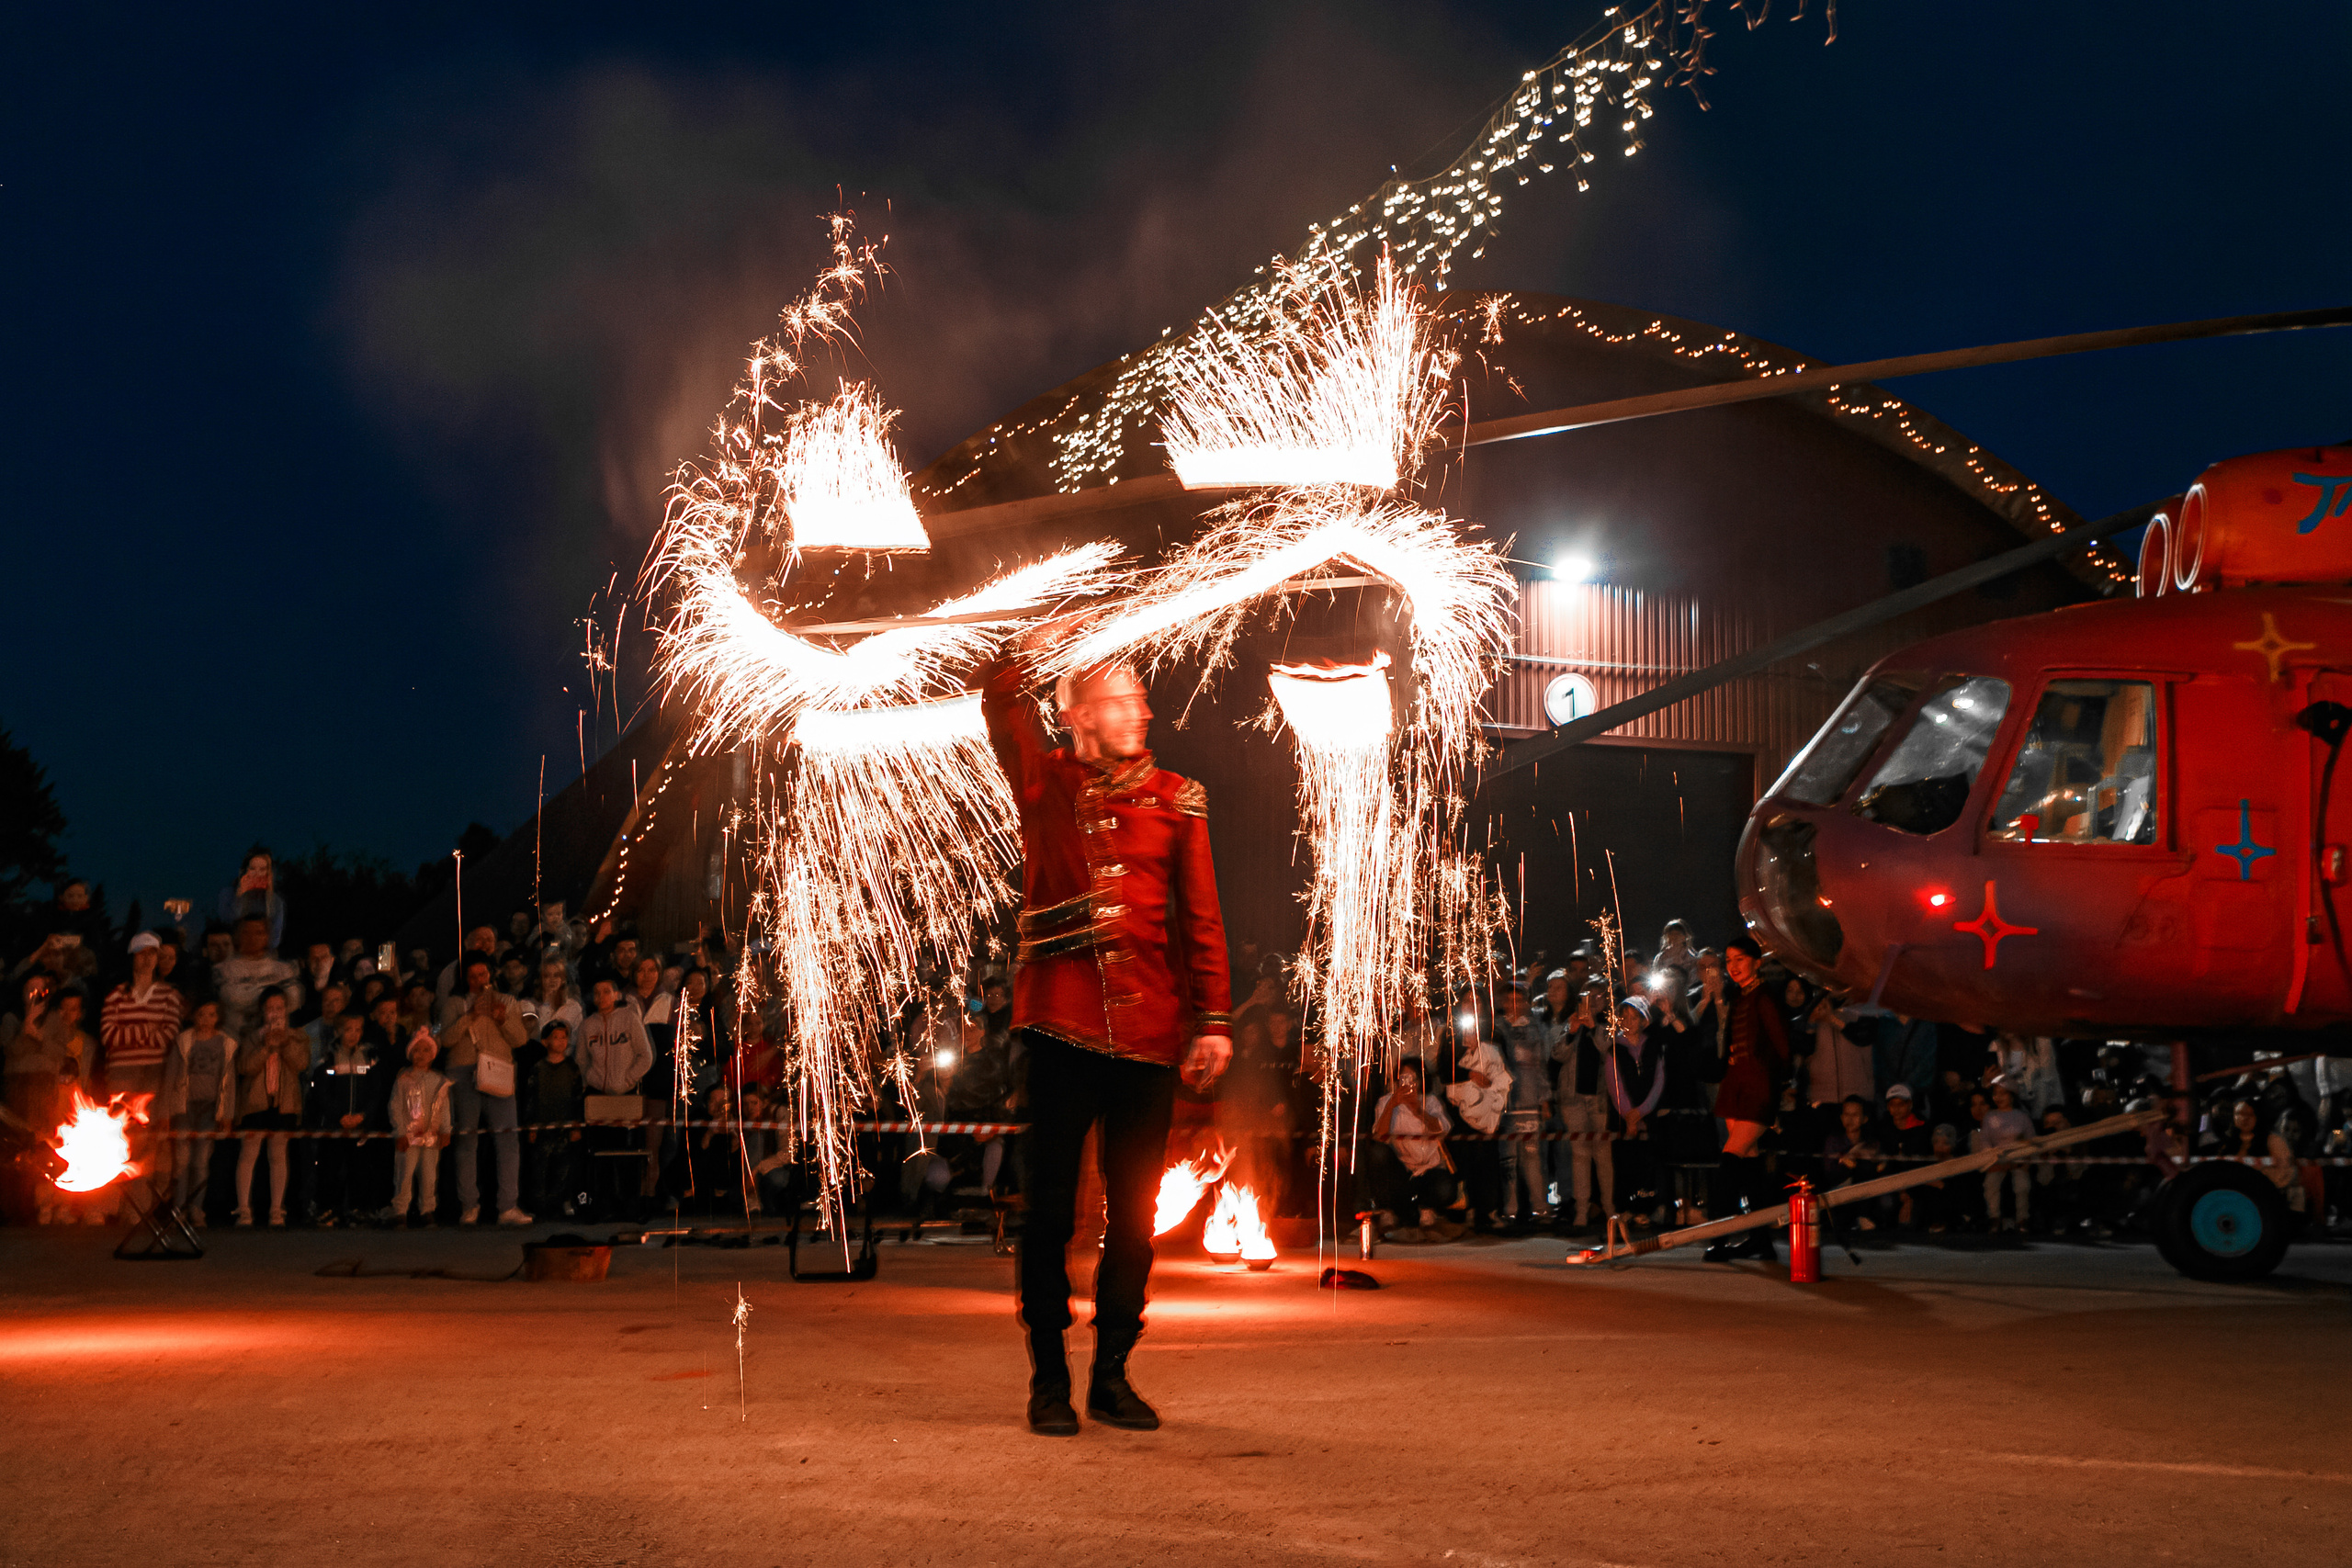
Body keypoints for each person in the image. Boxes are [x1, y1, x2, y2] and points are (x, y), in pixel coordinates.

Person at [980, 636, 1232, 1438]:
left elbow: (1201, 919)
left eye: (1141, 697)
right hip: (1060, 1025)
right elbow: (1001, 697)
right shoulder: (1043, 781)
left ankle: (1113, 1373)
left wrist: (1214, 1020)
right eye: (1123, 699)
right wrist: (1031, 646)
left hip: (1150, 1034)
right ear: (1078, 716)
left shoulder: (1178, 797)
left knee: (1135, 1217)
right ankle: (1049, 1379)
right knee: (1049, 1213)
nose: (1143, 711)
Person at [1702, 934, 1792, 1262]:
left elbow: (1782, 1047)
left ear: (1756, 962)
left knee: (1730, 1158)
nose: (1733, 966)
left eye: (1739, 959)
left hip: (1758, 1086)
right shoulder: (1740, 996)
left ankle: (1718, 1237)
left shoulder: (1765, 997)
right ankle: (1760, 1240)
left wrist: (1781, 1086)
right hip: (1736, 1084)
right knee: (1750, 1164)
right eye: (1729, 960)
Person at [437, 954, 530, 1226]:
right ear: (465, 978)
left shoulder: (508, 1002)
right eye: (473, 976)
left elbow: (520, 1039)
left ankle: (508, 1207)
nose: (479, 981)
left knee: (508, 1140)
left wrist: (502, 1019)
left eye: (483, 974)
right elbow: (446, 1039)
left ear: (491, 974)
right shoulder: (454, 1003)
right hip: (463, 1072)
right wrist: (471, 1016)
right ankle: (469, 1206)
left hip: (499, 1071)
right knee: (467, 1140)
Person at [232, 989, 310, 1226]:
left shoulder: (297, 1036)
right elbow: (245, 1067)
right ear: (263, 1012)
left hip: (284, 1104)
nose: (275, 1013)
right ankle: (244, 1210)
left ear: (286, 1011)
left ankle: (277, 1210)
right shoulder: (251, 1037)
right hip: (255, 1103)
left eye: (279, 1008)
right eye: (270, 1009)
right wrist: (266, 1047)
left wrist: (284, 1044)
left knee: (278, 1156)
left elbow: (301, 1064)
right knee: (248, 1155)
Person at [1367, 1059, 1463, 1241]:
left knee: (1446, 1189)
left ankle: (1426, 1209)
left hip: (1428, 1169)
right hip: (1401, 1170)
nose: (1408, 1084)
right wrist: (1393, 1104)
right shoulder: (1386, 1101)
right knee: (1377, 1152)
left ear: (1421, 1081)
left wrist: (1418, 1111)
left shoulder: (1431, 1101)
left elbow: (1442, 1129)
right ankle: (1389, 1210)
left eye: (1413, 1079)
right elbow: (1379, 1136)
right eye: (1404, 1078)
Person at [160, 998, 237, 1224]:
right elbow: (170, 1077)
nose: (206, 1020)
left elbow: (230, 1082)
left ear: (218, 1017)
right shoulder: (183, 1042)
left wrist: (227, 1114)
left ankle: (196, 1208)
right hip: (184, 1108)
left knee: (201, 1162)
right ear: (194, 1016)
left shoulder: (225, 1044)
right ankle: (179, 1209)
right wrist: (165, 1112)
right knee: (181, 1161)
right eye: (201, 1014)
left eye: (211, 1015)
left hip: (210, 1109)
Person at [307, 1011, 388, 1225]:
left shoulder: (369, 1058)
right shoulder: (328, 1058)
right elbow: (321, 1092)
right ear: (338, 1031)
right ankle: (327, 1209)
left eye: (357, 1029)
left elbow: (375, 1092)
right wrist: (339, 1115)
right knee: (330, 1168)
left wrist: (363, 1116)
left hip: (360, 1126)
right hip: (334, 1126)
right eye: (348, 1029)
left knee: (360, 1169)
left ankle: (358, 1209)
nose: (353, 1034)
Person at [1492, 983, 1553, 1227]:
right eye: (1510, 1000)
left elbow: (1541, 1066)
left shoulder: (1535, 1028)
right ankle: (1511, 1209)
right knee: (1508, 1160)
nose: (1514, 1005)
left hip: (1529, 1101)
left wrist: (1544, 1099)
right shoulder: (1496, 1028)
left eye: (1519, 1000)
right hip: (1504, 1105)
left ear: (1527, 1003)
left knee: (1533, 1159)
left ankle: (1540, 1207)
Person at [1602, 995, 1667, 1224]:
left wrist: (1642, 1111)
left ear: (1643, 1020)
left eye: (1634, 1017)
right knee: (1624, 1162)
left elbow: (1659, 1081)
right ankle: (1626, 1207)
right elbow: (1615, 1085)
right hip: (1623, 1117)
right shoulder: (1614, 1049)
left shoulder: (1653, 1046)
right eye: (1625, 1017)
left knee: (1647, 1163)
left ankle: (1645, 1208)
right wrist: (1629, 1115)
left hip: (1647, 1115)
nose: (1629, 1022)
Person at [523, 1021, 587, 1218]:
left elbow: (577, 1097)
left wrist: (576, 1125)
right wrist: (531, 1125)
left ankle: (560, 1203)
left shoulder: (572, 1068)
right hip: (543, 1128)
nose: (560, 1041)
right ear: (545, 1041)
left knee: (563, 1169)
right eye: (555, 1037)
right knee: (539, 1169)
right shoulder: (538, 1068)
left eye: (563, 1037)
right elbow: (530, 1098)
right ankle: (540, 1206)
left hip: (565, 1127)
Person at [386, 1032, 451, 1227]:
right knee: (404, 1174)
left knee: (429, 1175)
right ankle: (400, 1210)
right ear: (410, 1053)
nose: (421, 1054)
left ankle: (427, 1209)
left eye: (425, 1050)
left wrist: (445, 1129)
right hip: (409, 1137)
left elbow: (444, 1106)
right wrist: (399, 1132)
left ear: (433, 1054)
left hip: (431, 1137)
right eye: (416, 1050)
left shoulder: (439, 1080)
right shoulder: (404, 1079)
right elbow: (396, 1106)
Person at [213, 915, 300, 1039]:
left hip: (276, 1040)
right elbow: (234, 998)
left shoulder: (284, 969)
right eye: (247, 933)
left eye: (258, 933)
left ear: (267, 936)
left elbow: (294, 1000)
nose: (252, 938)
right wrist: (273, 995)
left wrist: (250, 993)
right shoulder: (223, 969)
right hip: (236, 1040)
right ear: (238, 936)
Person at [1973, 1081, 2034, 1232]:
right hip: (1996, 1160)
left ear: (2011, 1096)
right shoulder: (1990, 1117)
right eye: (1996, 1094)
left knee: (2022, 1186)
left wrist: (2024, 1161)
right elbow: (1985, 1140)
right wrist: (1992, 1158)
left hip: (2018, 1159)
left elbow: (2031, 1140)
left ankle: (2022, 1218)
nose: (1999, 1097)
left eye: (2003, 1093)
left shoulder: (2022, 1117)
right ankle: (1994, 1217)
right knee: (1990, 1185)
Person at [214, 851, 287, 951]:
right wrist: (240, 896)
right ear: (244, 871)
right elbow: (225, 924)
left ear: (269, 874)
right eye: (252, 869)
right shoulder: (227, 894)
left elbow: (275, 939)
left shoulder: (276, 902)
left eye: (262, 869)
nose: (257, 874)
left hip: (262, 954)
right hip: (233, 953)